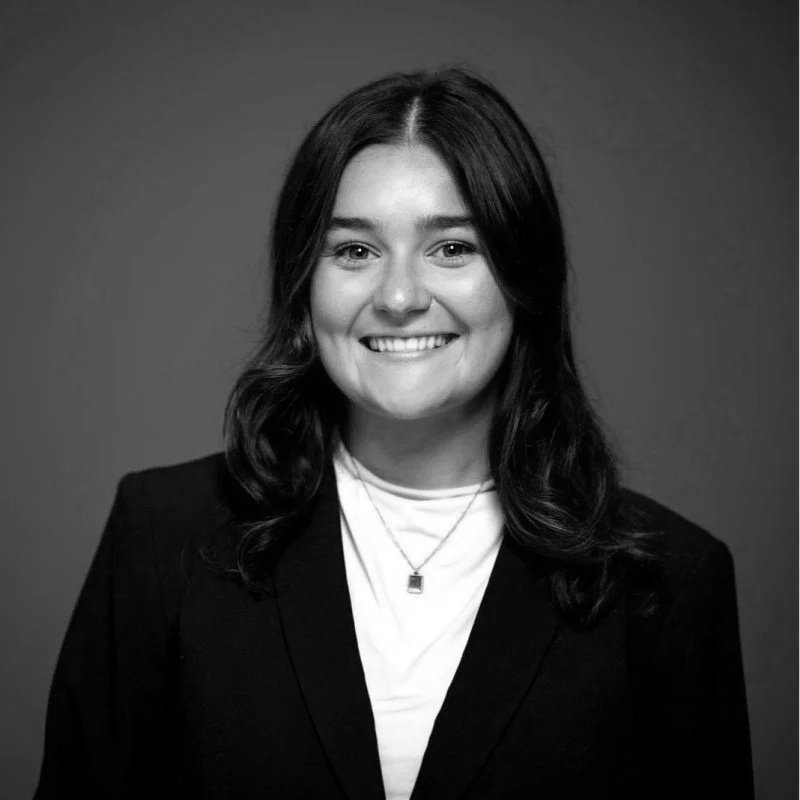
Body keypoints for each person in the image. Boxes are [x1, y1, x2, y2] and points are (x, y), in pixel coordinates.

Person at [34, 69, 753, 800]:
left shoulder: (669, 581)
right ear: (302, 287)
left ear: (523, 279)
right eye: (354, 251)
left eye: (452, 248)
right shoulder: (165, 536)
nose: (400, 297)